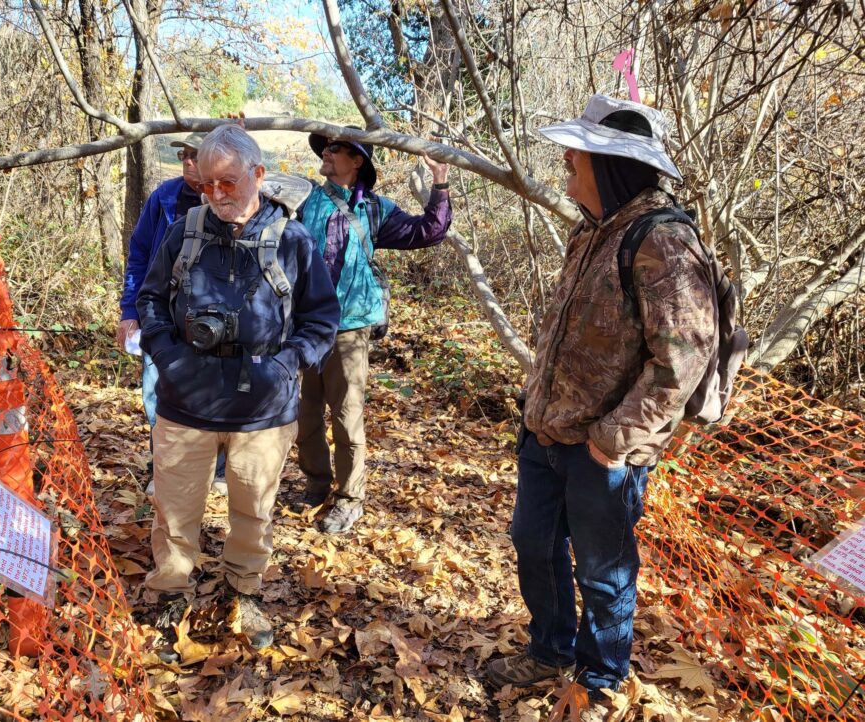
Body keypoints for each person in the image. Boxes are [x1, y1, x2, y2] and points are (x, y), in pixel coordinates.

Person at [485, 95, 717, 720]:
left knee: (603, 572)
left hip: (603, 450)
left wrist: (614, 438)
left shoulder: (662, 240)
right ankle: (550, 651)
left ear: (610, 164)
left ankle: (601, 677)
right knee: (532, 545)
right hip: (546, 432)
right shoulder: (591, 229)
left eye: (577, 156)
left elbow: (684, 356)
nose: (566, 163)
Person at [136, 124, 339, 652]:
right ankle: (171, 591)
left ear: (258, 174)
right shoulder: (185, 232)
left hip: (263, 413)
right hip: (185, 405)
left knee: (253, 510)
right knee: (174, 509)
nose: (217, 195)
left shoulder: (292, 241)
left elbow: (321, 319)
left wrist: (287, 365)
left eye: (228, 182)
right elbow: (152, 302)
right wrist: (171, 360)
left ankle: (242, 590)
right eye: (206, 185)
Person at [296, 129, 452, 533]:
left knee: (346, 417)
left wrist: (440, 182)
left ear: (357, 161)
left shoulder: (374, 209)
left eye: (336, 149)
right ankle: (316, 485)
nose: (326, 154)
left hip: (350, 328)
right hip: (306, 327)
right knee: (305, 415)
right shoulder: (303, 200)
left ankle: (350, 498)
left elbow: (429, 231)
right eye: (325, 148)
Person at [117, 132, 227, 494]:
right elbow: (138, 255)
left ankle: (220, 471)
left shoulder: (226, 198)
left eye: (197, 155)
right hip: (161, 314)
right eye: (185, 154)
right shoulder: (163, 198)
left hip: (213, 316)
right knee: (156, 393)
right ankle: (163, 469)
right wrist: (129, 311)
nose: (188, 161)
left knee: (217, 391)